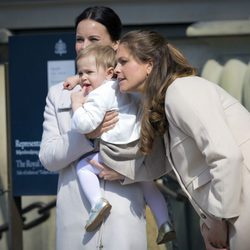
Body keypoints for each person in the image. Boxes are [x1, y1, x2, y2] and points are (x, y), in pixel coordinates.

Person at [113, 29, 250, 250]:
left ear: (149, 64)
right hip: (233, 212)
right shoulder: (167, 99)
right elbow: (158, 165)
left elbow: (226, 156)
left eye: (123, 61)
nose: (116, 70)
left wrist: (217, 219)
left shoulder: (183, 90)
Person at [39, 7, 163, 250]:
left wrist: (126, 173)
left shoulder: (134, 92)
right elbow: (48, 158)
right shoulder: (59, 94)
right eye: (79, 39)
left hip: (124, 222)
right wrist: (85, 135)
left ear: (116, 45)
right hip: (77, 228)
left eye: (94, 39)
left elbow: (158, 157)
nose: (84, 45)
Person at [65, 43, 175, 243]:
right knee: (148, 184)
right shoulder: (124, 87)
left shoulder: (99, 95)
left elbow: (84, 124)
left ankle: (97, 203)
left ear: (109, 72)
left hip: (116, 151)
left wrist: (77, 106)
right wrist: (81, 78)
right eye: (80, 73)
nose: (83, 78)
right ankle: (164, 222)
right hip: (137, 147)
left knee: (83, 167)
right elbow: (97, 75)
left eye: (88, 72)